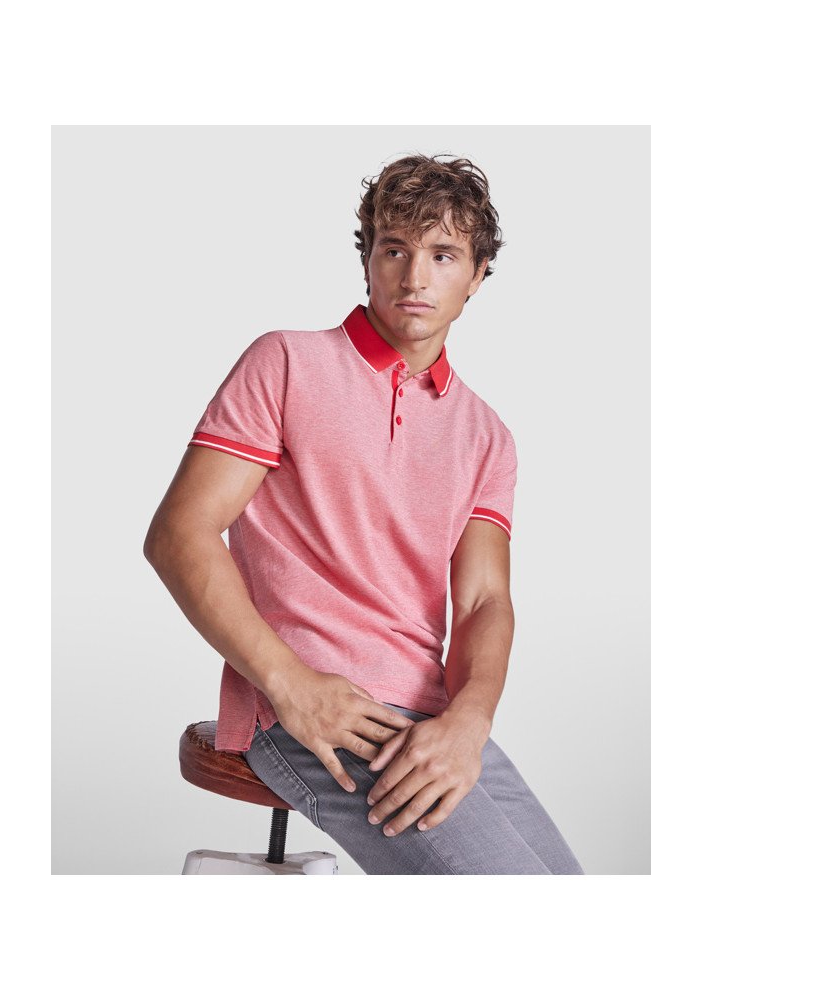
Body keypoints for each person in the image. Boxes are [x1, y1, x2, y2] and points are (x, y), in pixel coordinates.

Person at [144, 153, 584, 874]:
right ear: (368, 260)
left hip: (431, 719)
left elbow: (484, 600)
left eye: (443, 255)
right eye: (394, 250)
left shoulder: (487, 436)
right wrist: (290, 686)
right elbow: (178, 533)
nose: (415, 278)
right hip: (315, 706)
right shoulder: (286, 362)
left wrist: (469, 722)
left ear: (477, 276)